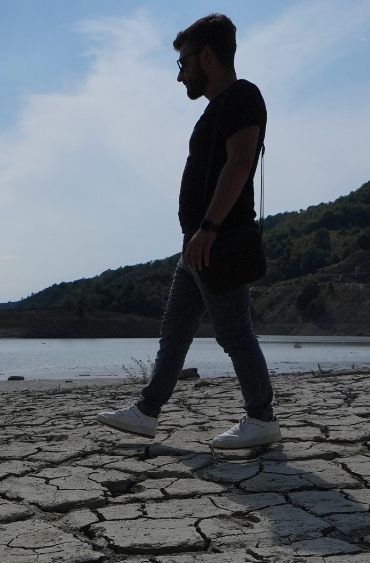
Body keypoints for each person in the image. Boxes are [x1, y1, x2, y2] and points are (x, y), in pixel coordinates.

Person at [98, 13, 279, 450]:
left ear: (207, 56)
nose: (179, 76)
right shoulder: (217, 108)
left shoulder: (242, 97)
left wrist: (210, 228)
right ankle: (147, 411)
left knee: (234, 333)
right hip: (197, 245)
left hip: (218, 239)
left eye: (182, 63)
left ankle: (262, 418)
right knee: (175, 328)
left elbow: (239, 164)